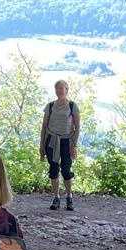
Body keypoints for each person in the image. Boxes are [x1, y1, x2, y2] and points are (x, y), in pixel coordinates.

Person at [41, 80, 80, 210]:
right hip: (52, 140)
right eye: (57, 88)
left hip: (67, 141)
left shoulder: (72, 106)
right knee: (53, 169)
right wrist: (42, 146)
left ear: (67, 90)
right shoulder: (50, 106)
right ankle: (56, 197)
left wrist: (74, 145)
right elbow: (44, 127)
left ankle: (69, 197)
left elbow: (77, 127)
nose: (59, 91)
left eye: (61, 88)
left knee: (66, 170)